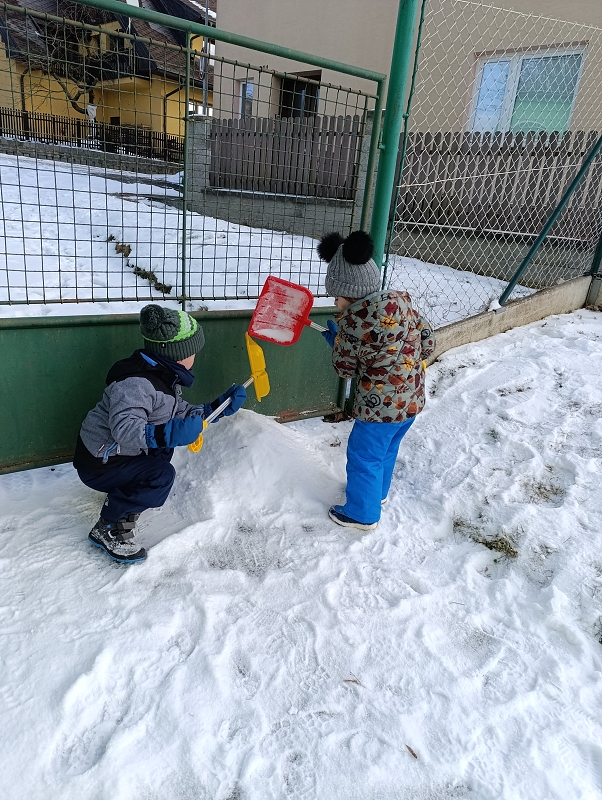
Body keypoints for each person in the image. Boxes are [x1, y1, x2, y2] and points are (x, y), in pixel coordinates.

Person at [73, 304, 247, 564]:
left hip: (115, 455)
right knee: (161, 476)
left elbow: (176, 411)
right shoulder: (136, 384)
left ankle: (123, 493)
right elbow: (125, 429)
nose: (195, 357)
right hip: (99, 462)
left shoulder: (162, 375)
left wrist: (214, 409)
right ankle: (108, 528)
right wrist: (168, 433)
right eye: (193, 352)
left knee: (163, 451)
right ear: (179, 355)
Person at [317, 230, 436, 531]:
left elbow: (344, 368)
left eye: (336, 296)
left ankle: (362, 514)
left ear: (349, 294)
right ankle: (376, 494)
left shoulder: (352, 323)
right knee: (386, 450)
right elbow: (428, 341)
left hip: (378, 409)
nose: (335, 302)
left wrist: (338, 342)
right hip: (411, 401)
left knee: (363, 456)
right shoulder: (401, 303)